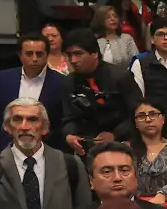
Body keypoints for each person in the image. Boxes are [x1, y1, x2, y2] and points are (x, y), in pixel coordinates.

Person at [58, 29, 141, 157]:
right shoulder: (68, 82)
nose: (73, 60)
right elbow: (68, 118)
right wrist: (69, 135)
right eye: (69, 55)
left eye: (78, 54)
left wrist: (115, 134)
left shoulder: (120, 77)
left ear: (95, 54)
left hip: (122, 142)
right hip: (87, 145)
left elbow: (138, 114)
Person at [0, 33, 67, 150]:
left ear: (47, 55)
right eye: (29, 54)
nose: (34, 59)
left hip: (47, 148)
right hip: (8, 148)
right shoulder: (4, 78)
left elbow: (61, 122)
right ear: (20, 55)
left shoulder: (61, 82)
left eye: (39, 54)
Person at [127, 100, 167, 201]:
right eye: (141, 116)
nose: (148, 119)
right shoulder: (125, 150)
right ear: (135, 123)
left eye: (153, 114)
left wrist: (162, 196)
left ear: (163, 119)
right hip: (133, 205)